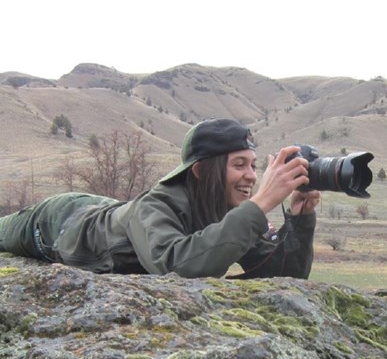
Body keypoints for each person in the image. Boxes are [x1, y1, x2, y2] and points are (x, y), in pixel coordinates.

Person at [0, 118, 321, 279]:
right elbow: (175, 266)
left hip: (109, 212)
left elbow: (282, 276)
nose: (252, 175)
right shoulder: (155, 206)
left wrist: (300, 219)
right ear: (200, 171)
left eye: (253, 165)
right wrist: (261, 203)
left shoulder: (229, 213)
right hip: (57, 221)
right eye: (238, 165)